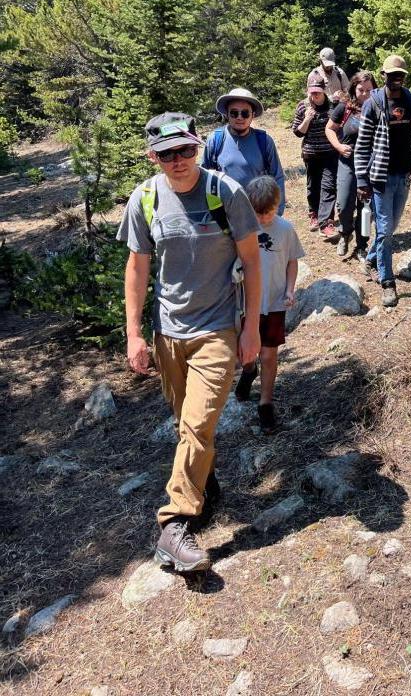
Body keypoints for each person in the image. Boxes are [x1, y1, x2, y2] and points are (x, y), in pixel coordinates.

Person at [118, 112, 261, 573]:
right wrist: (135, 333)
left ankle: (173, 524)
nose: (178, 161)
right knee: (187, 424)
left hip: (217, 329)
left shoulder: (225, 193)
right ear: (152, 156)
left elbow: (252, 263)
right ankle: (204, 484)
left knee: (198, 424)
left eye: (185, 150)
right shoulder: (144, 199)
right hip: (168, 333)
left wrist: (251, 328)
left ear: (197, 147)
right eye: (166, 153)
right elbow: (138, 268)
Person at [354, 56, 411, 307]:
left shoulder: (410, 100)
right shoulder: (373, 104)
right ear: (384, 75)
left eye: (400, 74)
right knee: (385, 230)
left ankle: (371, 259)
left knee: (391, 226)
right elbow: (362, 145)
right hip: (379, 176)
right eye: (392, 74)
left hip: (404, 174)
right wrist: (361, 180)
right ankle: (387, 282)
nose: (396, 78)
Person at [234, 176, 305, 433]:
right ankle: (249, 371)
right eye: (258, 213)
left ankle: (265, 404)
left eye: (269, 212)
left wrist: (289, 289)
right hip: (246, 303)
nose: (263, 219)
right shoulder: (242, 230)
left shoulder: (285, 229)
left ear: (278, 204)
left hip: (274, 302)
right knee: (247, 352)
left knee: (268, 353)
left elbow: (292, 261)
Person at [202, 87, 286, 215]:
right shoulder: (215, 140)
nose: (240, 117)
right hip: (225, 214)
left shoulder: (264, 141)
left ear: (252, 115)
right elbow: (204, 178)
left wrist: (277, 212)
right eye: (234, 113)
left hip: (258, 213)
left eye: (245, 113)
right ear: (227, 114)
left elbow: (277, 176)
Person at [325, 71, 376, 260]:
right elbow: (329, 128)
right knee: (344, 203)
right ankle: (345, 234)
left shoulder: (378, 107)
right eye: (361, 90)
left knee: (365, 207)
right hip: (347, 162)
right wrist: (338, 146)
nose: (365, 94)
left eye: (369, 90)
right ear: (354, 88)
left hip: (369, 165)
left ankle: (362, 245)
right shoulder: (345, 107)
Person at [292, 74, 339, 240]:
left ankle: (325, 223)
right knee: (313, 186)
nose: (315, 95)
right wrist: (307, 119)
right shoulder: (303, 106)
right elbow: (297, 132)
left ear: (324, 90)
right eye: (312, 92)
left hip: (330, 152)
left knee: (329, 185)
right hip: (311, 153)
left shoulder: (333, 104)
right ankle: (314, 213)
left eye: (317, 92)